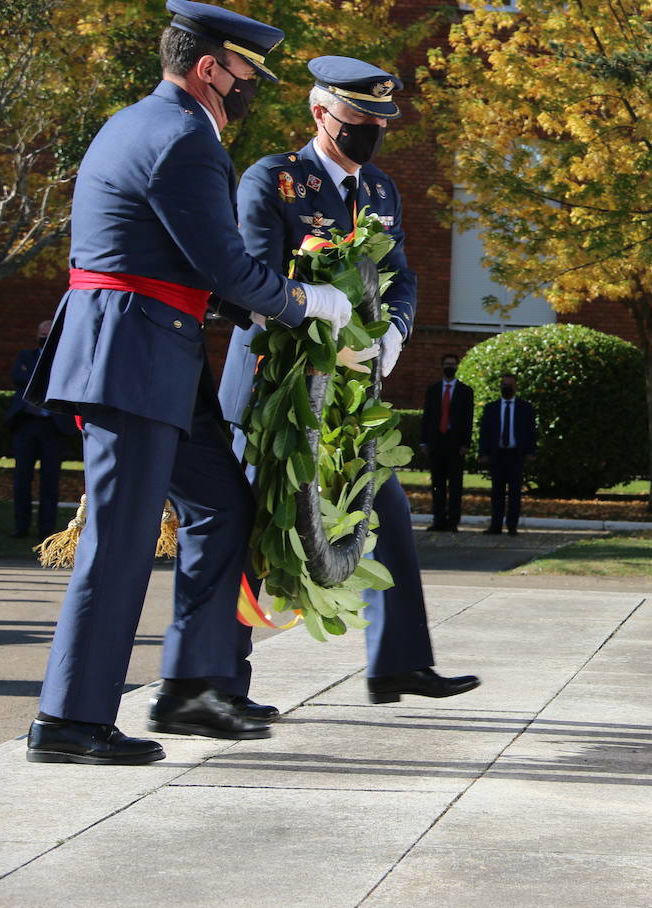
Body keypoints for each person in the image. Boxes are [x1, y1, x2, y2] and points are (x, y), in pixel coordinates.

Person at [22, 1, 357, 766]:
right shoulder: (183, 139)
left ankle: (194, 685)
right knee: (120, 541)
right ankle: (69, 720)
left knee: (220, 505)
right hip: (135, 355)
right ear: (210, 68)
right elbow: (219, 262)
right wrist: (305, 302)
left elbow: (185, 262)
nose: (251, 89)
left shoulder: (137, 121)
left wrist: (260, 306)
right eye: (246, 73)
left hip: (152, 351)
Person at [218, 56, 480, 708]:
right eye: (357, 121)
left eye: (379, 123)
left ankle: (398, 663)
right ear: (320, 115)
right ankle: (221, 684)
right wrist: (321, 320)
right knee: (249, 531)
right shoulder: (275, 180)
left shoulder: (381, 193)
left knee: (386, 512)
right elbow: (254, 275)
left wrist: (392, 332)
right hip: (274, 392)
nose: (369, 134)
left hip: (348, 399)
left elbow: (403, 277)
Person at [7, 321, 76, 539]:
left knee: (50, 479)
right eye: (41, 333)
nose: (44, 337)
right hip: (27, 425)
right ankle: (21, 525)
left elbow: (67, 382)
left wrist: (38, 379)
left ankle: (46, 528)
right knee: (21, 477)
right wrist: (46, 379)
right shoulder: (26, 356)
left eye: (48, 334)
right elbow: (19, 378)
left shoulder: (64, 359)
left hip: (52, 427)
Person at [478, 373, 537, 535]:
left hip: (516, 455)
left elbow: (531, 431)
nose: (507, 388)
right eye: (504, 385)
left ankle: (512, 525)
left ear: (515, 387)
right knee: (497, 492)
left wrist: (531, 451)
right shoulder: (491, 408)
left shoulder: (525, 408)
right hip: (497, 455)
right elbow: (485, 432)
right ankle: (495, 525)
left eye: (510, 385)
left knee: (515, 492)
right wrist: (483, 452)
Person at [421, 353, 473, 531]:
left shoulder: (465, 391)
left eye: (452, 364)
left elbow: (468, 419)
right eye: (446, 364)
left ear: (457, 367)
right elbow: (426, 417)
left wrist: (466, 443)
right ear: (441, 367)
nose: (449, 367)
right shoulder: (433, 390)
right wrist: (424, 442)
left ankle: (453, 521)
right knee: (438, 485)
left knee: (456, 486)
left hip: (455, 445)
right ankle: (438, 520)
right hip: (437, 443)